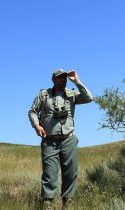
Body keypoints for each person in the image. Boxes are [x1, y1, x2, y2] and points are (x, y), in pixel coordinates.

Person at [28, 69, 93, 209]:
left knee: (71, 172)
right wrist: (36, 126)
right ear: (53, 79)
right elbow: (32, 111)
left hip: (69, 139)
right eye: (59, 78)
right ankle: (47, 203)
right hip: (50, 140)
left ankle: (67, 203)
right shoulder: (44, 95)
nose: (62, 80)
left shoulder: (72, 94)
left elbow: (89, 98)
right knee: (49, 173)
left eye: (64, 77)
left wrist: (77, 81)